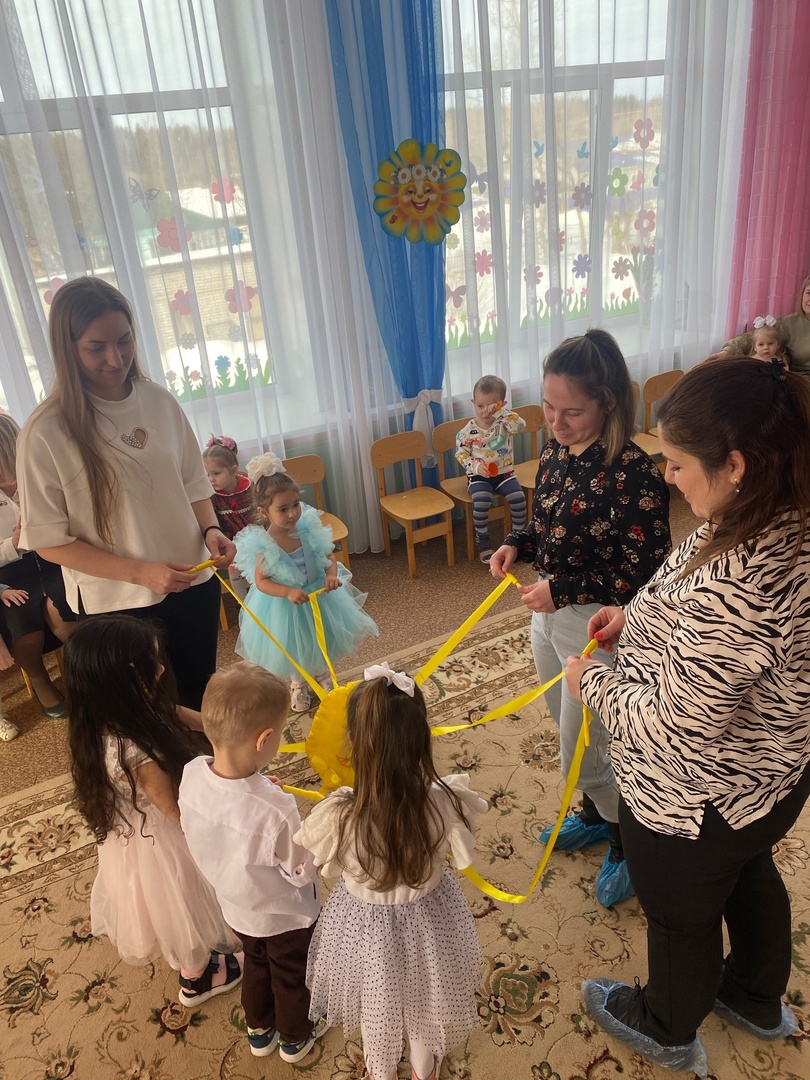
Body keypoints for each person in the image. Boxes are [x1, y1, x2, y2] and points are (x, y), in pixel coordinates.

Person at [564, 357, 810, 1075]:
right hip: (763, 783)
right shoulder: (776, 511)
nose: (667, 477)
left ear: (734, 464)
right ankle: (756, 996)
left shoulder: (741, 588)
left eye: (676, 463)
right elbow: (689, 591)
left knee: (680, 917)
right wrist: (636, 618)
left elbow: (676, 726)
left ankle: (667, 1024)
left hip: (693, 799)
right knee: (750, 877)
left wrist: (591, 684)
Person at [489, 329, 671, 908]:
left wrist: (563, 590)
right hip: (548, 612)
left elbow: (647, 573)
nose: (556, 422)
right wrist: (516, 542)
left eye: (572, 411)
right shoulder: (555, 451)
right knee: (567, 726)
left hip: (597, 625)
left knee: (590, 747)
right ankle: (595, 815)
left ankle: (626, 844)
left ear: (607, 402)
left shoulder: (634, 472)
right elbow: (544, 521)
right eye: (548, 406)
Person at [16, 277, 235, 709]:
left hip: (193, 583)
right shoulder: (45, 431)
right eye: (96, 347)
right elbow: (47, 540)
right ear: (68, 349)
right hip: (117, 604)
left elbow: (192, 482)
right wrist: (139, 573)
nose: (115, 359)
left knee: (197, 699)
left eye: (124, 340)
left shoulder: (159, 401)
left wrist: (210, 529)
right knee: (145, 715)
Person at [296, 666, 485, 1080]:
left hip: (364, 930)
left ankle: (381, 1072)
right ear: (423, 739)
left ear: (352, 743)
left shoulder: (339, 815)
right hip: (431, 923)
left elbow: (308, 857)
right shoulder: (445, 802)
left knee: (376, 1008)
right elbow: (465, 848)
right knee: (426, 1001)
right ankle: (424, 1069)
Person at [65, 615, 243, 1006]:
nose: (161, 669)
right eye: (152, 665)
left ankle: (198, 964)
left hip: (132, 839)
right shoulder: (136, 752)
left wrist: (217, 728)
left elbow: (175, 712)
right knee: (187, 909)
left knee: (175, 910)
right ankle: (197, 977)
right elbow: (176, 812)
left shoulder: (108, 716)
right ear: (121, 682)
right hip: (165, 841)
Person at [178, 662, 326, 1062]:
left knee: (257, 964)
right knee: (292, 971)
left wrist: (260, 789)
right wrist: (322, 840)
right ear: (265, 739)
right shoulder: (276, 809)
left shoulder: (192, 774)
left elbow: (224, 815)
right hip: (286, 916)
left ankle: (259, 1029)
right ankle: (296, 1035)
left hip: (237, 908)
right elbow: (299, 869)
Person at [233, 453, 378, 713]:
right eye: (283, 509)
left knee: (321, 639)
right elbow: (261, 582)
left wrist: (331, 575)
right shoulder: (264, 545)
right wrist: (287, 591)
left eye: (295, 505)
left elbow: (328, 557)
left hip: (318, 596)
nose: (292, 514)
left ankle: (322, 674)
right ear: (264, 512)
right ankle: (298, 682)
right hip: (286, 606)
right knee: (296, 645)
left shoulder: (308, 528)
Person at [0, 413, 75, 720]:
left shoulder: (38, 477)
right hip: (9, 574)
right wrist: (13, 544)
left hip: (53, 560)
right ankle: (40, 679)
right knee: (22, 620)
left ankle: (86, 674)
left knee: (65, 612)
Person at [455, 375, 527, 563]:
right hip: (479, 477)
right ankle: (483, 541)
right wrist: (477, 467)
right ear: (473, 403)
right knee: (482, 501)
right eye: (480, 406)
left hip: (505, 474)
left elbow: (520, 425)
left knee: (519, 500)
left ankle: (517, 539)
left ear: (501, 404)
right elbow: (461, 454)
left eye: (491, 407)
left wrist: (500, 412)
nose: (485, 411)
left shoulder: (504, 423)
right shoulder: (467, 431)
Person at [716, 273, 810, 373]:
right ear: (802, 294)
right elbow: (754, 337)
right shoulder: (789, 323)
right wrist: (726, 352)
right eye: (808, 293)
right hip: (800, 378)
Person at [202, 434, 253, 600]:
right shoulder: (212, 495)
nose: (211, 479)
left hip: (254, 537)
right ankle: (243, 603)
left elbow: (260, 511)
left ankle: (263, 597)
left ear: (233, 471)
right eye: (207, 475)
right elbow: (213, 521)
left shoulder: (249, 487)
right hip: (230, 540)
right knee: (235, 571)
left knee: (261, 569)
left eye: (216, 473)